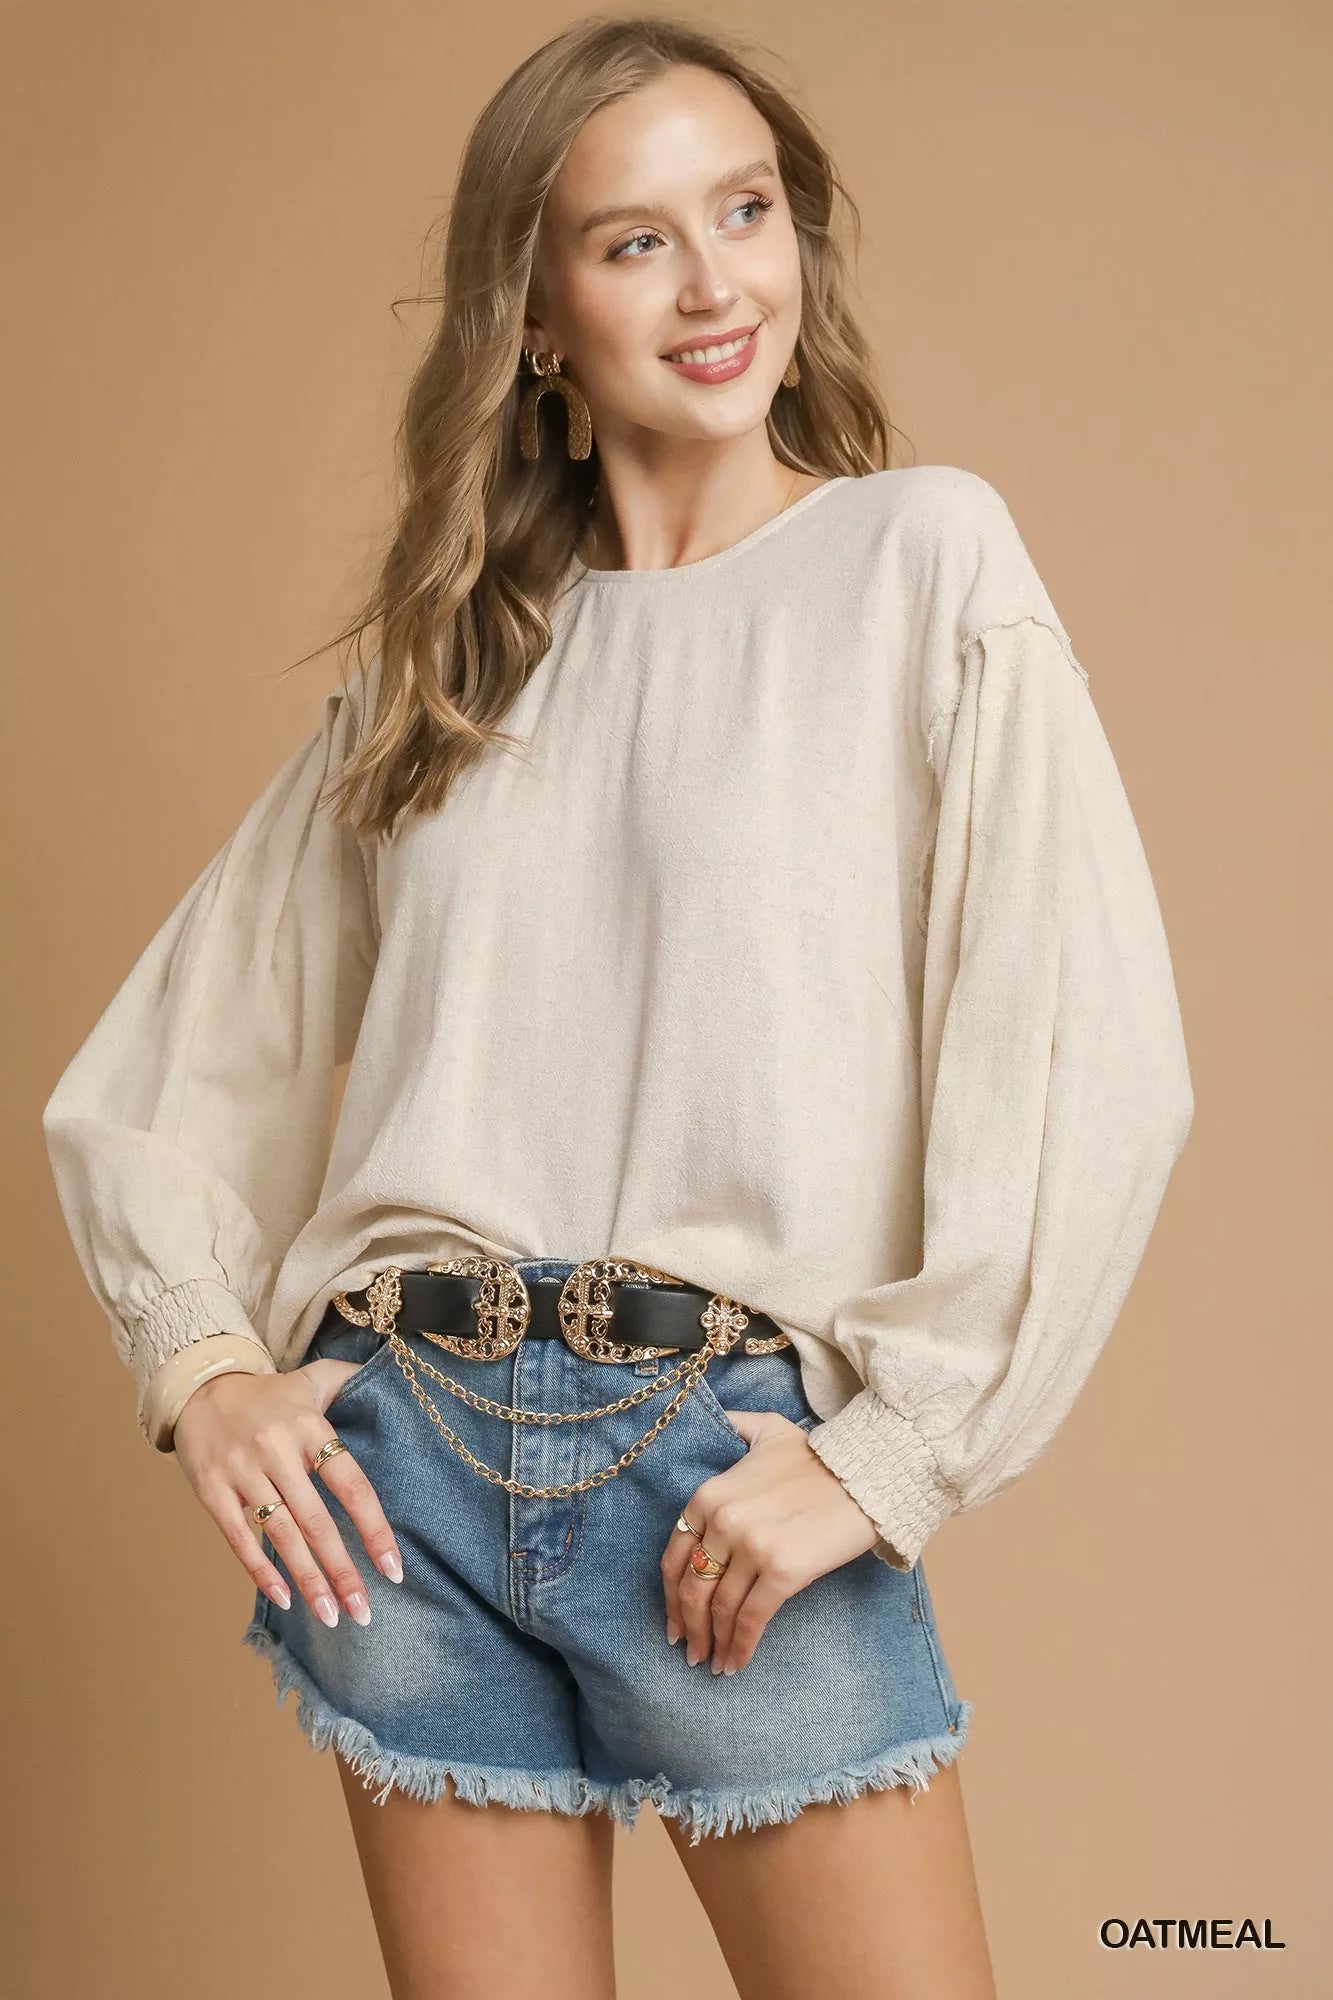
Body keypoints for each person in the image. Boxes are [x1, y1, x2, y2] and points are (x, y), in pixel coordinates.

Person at [40, 16, 1194, 2000]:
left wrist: (890, 1454)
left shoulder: (920, 563)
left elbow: (1094, 1056)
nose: (716, 277)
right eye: (636, 238)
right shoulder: (449, 665)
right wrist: (205, 1363)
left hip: (723, 1466)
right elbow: (165, 1070)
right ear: (539, 313)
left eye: (743, 211)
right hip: (399, 1464)